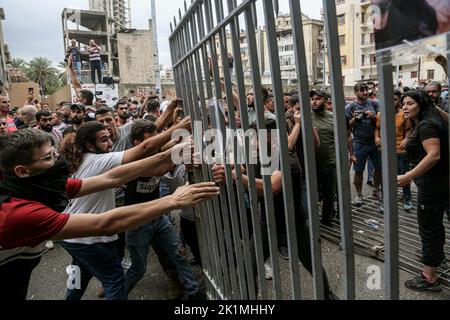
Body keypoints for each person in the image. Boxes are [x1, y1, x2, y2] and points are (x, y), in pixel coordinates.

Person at [0, 129, 219, 300]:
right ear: (22, 171)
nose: (58, 161)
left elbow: (110, 178)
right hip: (86, 240)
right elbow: (105, 223)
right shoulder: (17, 213)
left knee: (81, 273)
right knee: (114, 280)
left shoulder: (39, 186)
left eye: (56, 153)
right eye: (49, 157)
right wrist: (173, 200)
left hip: (69, 243)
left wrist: (170, 155)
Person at [123, 120, 203, 299]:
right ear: (137, 142)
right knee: (138, 269)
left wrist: (187, 139)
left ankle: (194, 291)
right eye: (152, 141)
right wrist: (181, 151)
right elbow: (158, 169)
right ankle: (117, 295)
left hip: (159, 218)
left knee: (179, 254)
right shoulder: (131, 160)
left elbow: (174, 142)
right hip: (138, 222)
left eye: (157, 139)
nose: (156, 143)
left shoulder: (157, 150)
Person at [398, 90, 449, 291]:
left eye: (410, 103)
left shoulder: (427, 125)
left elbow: (434, 155)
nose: (404, 107)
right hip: (440, 183)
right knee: (434, 225)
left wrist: (408, 176)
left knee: (428, 227)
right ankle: (437, 258)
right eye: (403, 103)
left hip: (432, 185)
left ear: (422, 104)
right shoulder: (431, 120)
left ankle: (429, 278)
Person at [375, 90, 413, 211]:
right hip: (385, 151)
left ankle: (407, 198)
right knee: (386, 177)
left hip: (401, 151)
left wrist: (407, 139)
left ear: (399, 100)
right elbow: (377, 129)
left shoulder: (404, 115)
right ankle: (385, 201)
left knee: (404, 176)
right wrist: (376, 137)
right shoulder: (380, 114)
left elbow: (408, 130)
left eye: (395, 99)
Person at [345, 83, 382, 206]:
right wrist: (355, 119)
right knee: (358, 170)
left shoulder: (374, 104)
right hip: (359, 143)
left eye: (366, 90)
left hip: (374, 142)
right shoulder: (350, 107)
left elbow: (381, 121)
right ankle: (359, 194)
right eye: (362, 90)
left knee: (378, 168)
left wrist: (373, 117)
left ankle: (377, 190)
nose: (365, 92)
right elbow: (346, 127)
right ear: (356, 92)